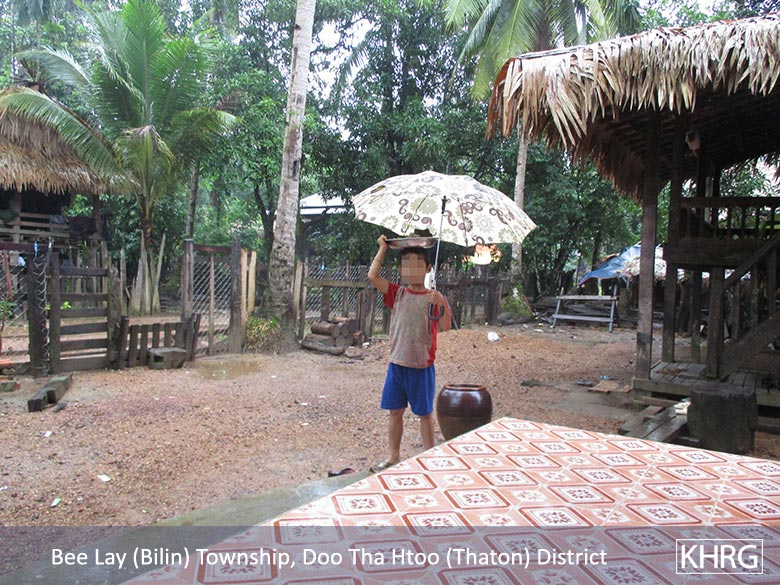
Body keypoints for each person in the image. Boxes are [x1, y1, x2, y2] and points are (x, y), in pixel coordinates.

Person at [367, 234, 452, 473]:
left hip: (421, 366)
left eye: (417, 265)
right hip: (397, 363)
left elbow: (446, 326)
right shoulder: (397, 293)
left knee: (424, 414)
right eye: (406, 265)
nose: (411, 270)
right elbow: (372, 276)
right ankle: (393, 457)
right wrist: (382, 248)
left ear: (427, 268)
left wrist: (442, 303)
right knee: (395, 412)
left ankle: (429, 459)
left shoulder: (434, 297)